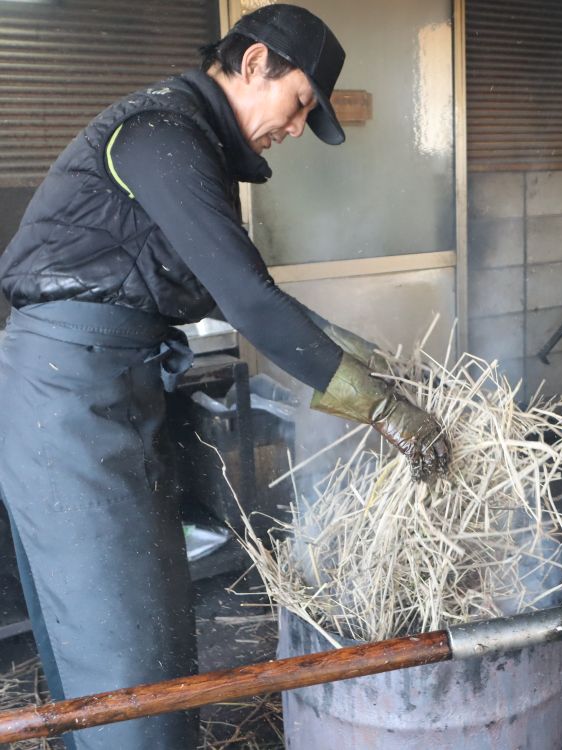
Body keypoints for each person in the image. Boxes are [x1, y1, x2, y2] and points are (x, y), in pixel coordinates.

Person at [0, 5, 448, 748]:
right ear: (254, 62)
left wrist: (371, 362)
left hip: (94, 387)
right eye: (301, 102)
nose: (297, 129)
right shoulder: (160, 133)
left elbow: (236, 291)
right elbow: (248, 299)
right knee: (123, 646)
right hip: (69, 395)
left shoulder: (191, 144)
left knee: (123, 628)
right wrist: (386, 411)